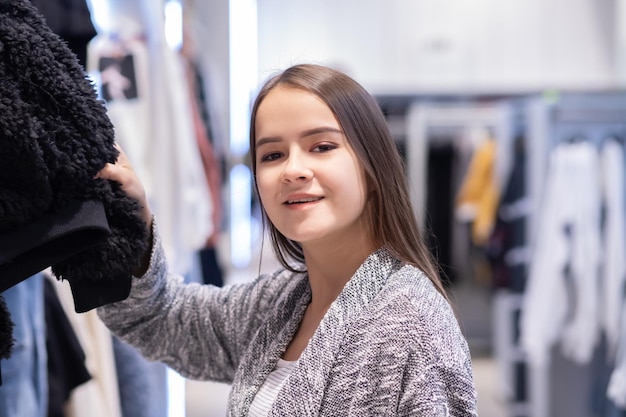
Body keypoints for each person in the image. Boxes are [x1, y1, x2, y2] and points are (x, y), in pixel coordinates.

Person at [96, 63, 478, 416]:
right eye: (273, 154)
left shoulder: (409, 322)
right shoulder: (281, 304)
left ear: (372, 165)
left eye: (322, 147)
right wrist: (132, 218)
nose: (293, 170)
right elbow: (160, 318)